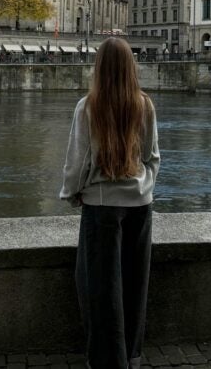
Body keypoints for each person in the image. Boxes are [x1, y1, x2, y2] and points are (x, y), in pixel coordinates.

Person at [60, 36, 160, 368]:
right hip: (140, 208)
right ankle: (132, 357)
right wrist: (143, 187)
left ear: (98, 68)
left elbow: (78, 161)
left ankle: (106, 361)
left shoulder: (88, 106)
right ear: (131, 67)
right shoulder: (143, 104)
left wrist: (72, 193)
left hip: (101, 207)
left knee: (101, 290)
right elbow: (152, 157)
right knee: (134, 284)